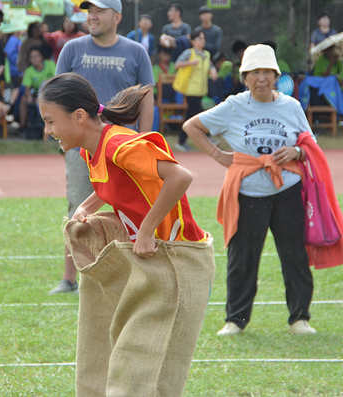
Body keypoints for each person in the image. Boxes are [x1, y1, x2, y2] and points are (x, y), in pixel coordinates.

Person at [39, 72, 214, 395]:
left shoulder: (119, 144)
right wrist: (87, 207)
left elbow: (180, 177)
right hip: (153, 263)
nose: (47, 131)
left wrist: (146, 230)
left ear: (79, 117)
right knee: (121, 357)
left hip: (179, 258)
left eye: (50, 121)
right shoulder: (92, 148)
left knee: (143, 367)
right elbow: (112, 185)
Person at [183, 44, 343, 336]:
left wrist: (296, 153)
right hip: (248, 192)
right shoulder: (233, 105)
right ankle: (235, 320)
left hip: (288, 190)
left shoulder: (291, 106)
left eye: (267, 72)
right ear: (244, 76)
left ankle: (299, 318)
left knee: (294, 256)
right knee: (242, 258)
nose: (261, 78)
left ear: (276, 76)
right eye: (254, 73)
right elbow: (191, 126)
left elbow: (308, 144)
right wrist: (218, 155)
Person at [50, 0, 154, 295]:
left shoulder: (136, 51)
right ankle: (71, 278)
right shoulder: (72, 49)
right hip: (80, 148)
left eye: (99, 11)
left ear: (117, 16)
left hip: (124, 149)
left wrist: (144, 141)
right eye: (89, 11)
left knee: (131, 208)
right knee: (78, 206)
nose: (92, 16)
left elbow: (146, 100)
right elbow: (57, 96)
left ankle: (138, 270)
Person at [173, 29, 217, 151]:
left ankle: (181, 141)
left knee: (189, 116)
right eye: (199, 38)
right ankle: (207, 137)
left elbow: (210, 65)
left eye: (203, 38)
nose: (202, 41)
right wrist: (190, 62)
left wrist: (213, 70)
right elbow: (177, 64)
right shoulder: (189, 53)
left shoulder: (206, 54)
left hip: (201, 89)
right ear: (192, 41)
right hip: (191, 89)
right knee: (200, 113)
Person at [19, 47, 56, 137]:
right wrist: (29, 96)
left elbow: (57, 79)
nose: (34, 58)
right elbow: (27, 89)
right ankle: (23, 127)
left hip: (52, 93)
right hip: (37, 95)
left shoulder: (50, 64)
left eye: (36, 56)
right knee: (23, 99)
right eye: (31, 57)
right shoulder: (29, 71)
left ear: (42, 57)